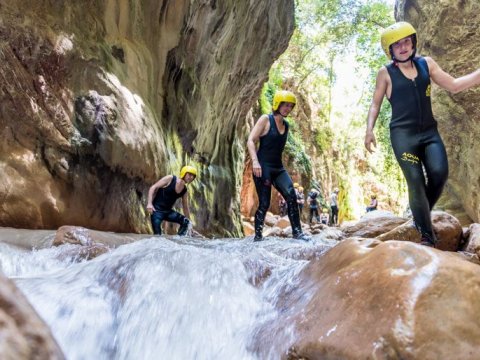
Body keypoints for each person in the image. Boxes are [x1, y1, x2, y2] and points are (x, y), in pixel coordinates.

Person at [364, 21, 480, 247]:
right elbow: (375, 104)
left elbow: (454, 85)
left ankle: (419, 214)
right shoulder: (385, 73)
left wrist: (477, 75)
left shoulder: (427, 64)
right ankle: (427, 237)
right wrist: (369, 130)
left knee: (439, 174)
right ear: (390, 50)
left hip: (429, 133)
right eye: (397, 45)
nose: (403, 47)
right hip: (403, 137)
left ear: (413, 42)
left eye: (407, 41)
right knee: (415, 181)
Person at [247, 90, 310, 242]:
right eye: (285, 105)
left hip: (278, 168)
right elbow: (251, 140)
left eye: (290, 106)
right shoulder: (265, 119)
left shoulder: (286, 126)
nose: (288, 108)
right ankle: (258, 237)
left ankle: (297, 233)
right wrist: (255, 162)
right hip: (263, 167)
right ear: (277, 104)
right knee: (264, 202)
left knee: (292, 195)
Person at [146, 165, 197, 236]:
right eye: (190, 174)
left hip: (168, 212)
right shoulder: (170, 178)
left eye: (193, 176)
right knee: (157, 236)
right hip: (156, 211)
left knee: (186, 222)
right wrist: (149, 204)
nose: (191, 177)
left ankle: (179, 240)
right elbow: (153, 187)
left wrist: (190, 227)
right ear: (184, 173)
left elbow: (185, 207)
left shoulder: (184, 190)